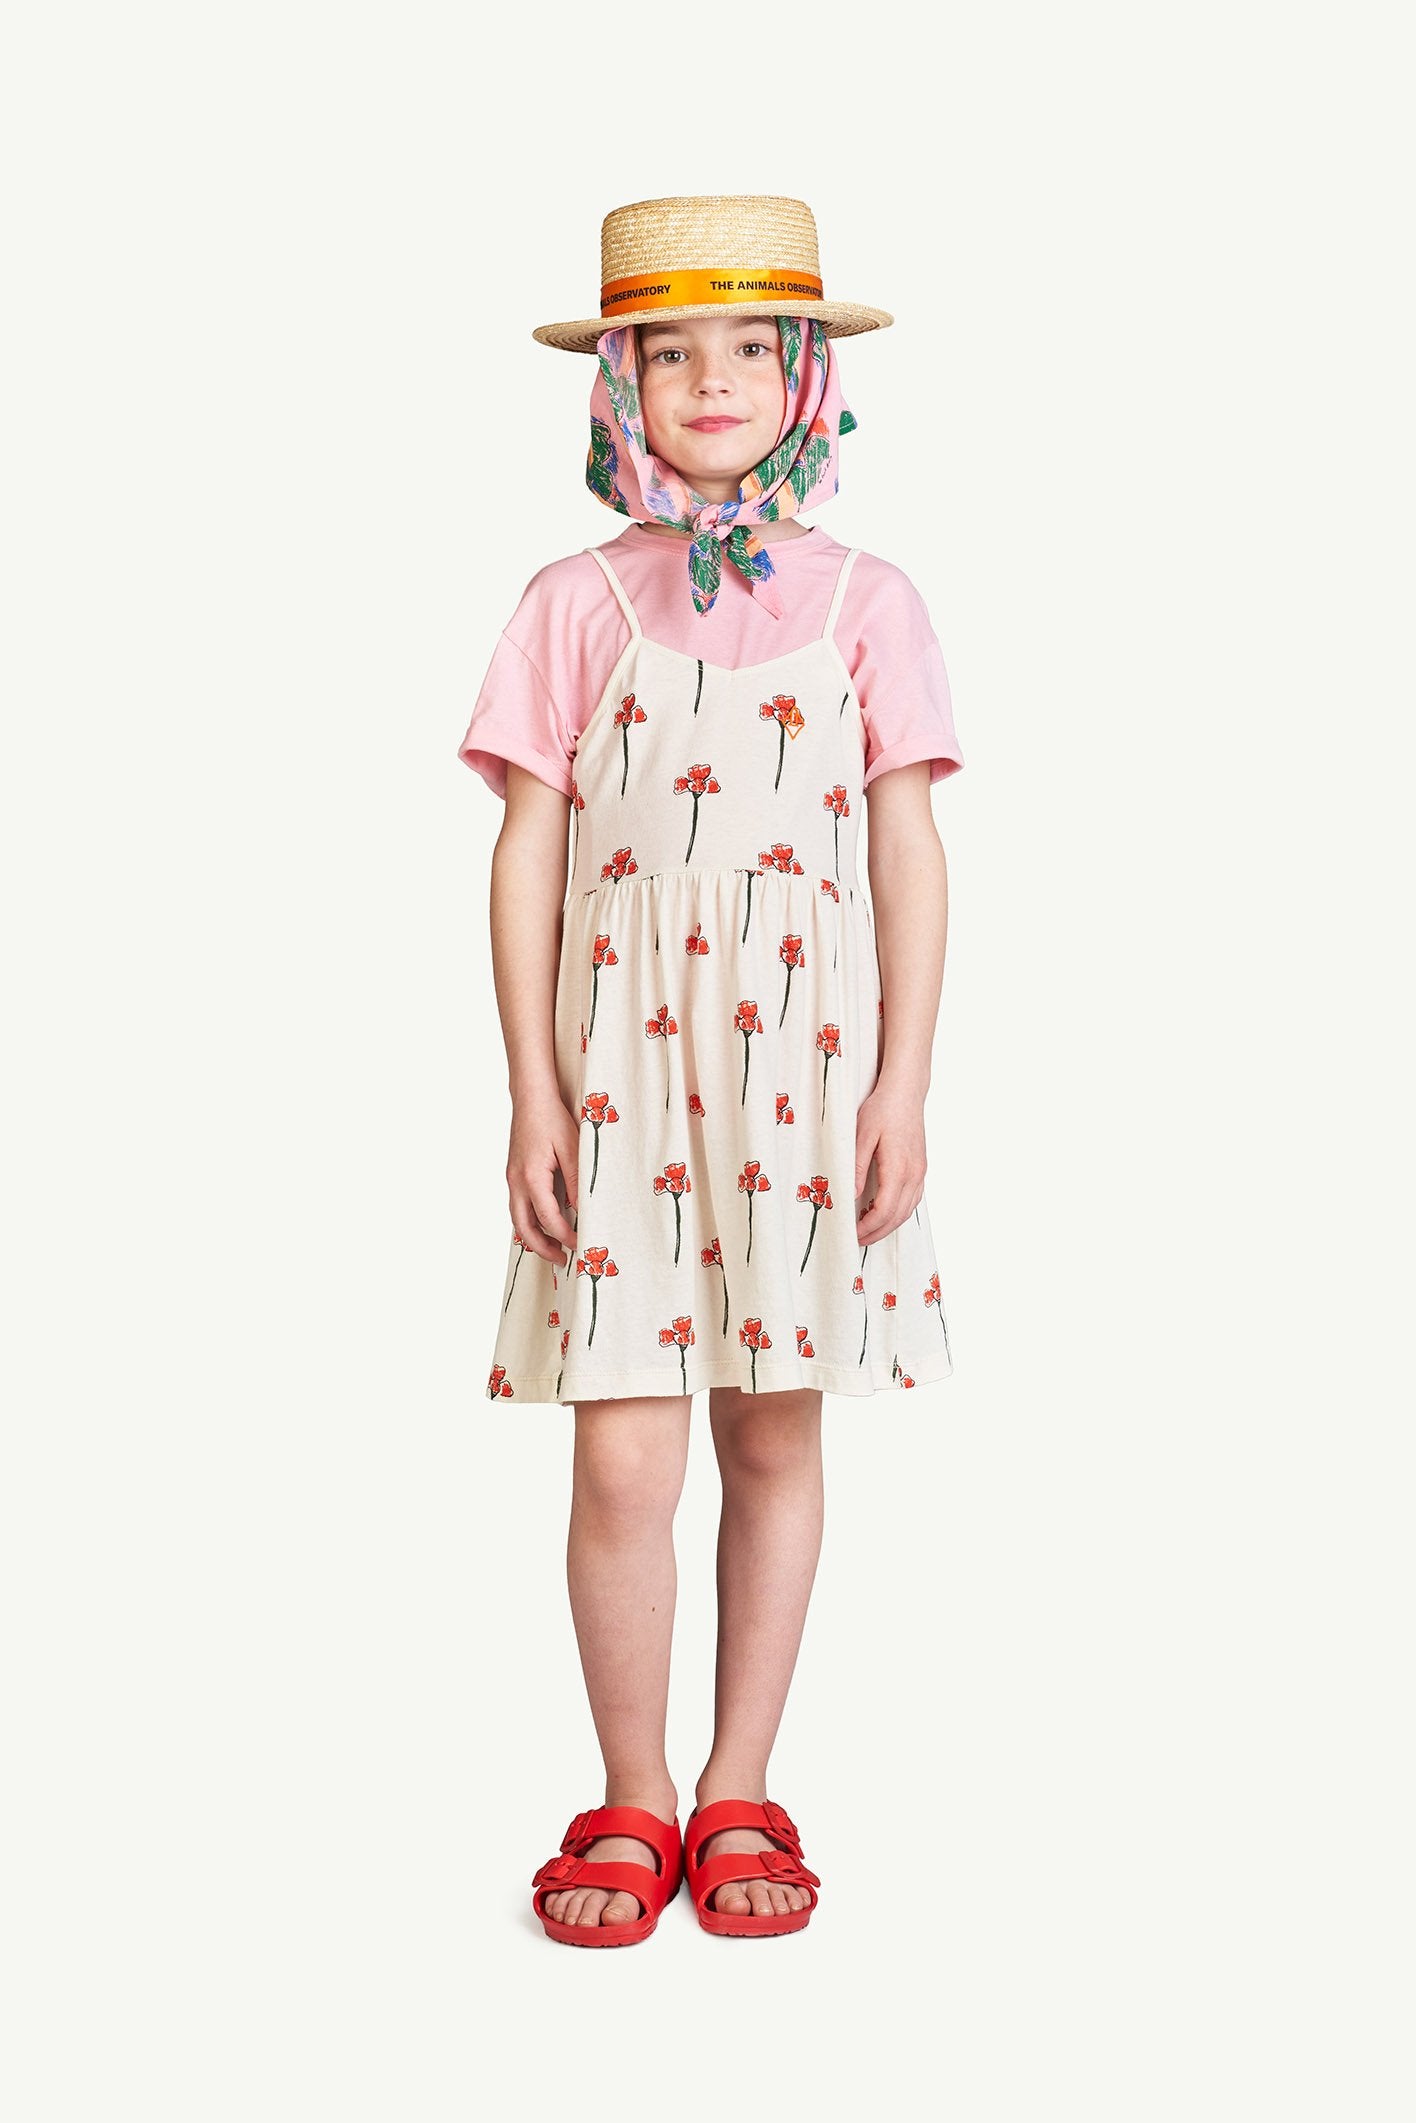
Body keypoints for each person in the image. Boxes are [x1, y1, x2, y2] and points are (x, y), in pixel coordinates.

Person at [457, 195, 965, 1944]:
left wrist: (901, 1084)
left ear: (806, 373)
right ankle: (632, 1788)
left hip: (798, 1076)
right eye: (669, 352)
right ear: (621, 386)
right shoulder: (572, 600)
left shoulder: (872, 602)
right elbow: (528, 852)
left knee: (770, 1425)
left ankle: (742, 1776)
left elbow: (906, 850)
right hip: (619, 1068)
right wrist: (533, 1091)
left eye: (752, 345)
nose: (713, 380)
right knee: (620, 1459)